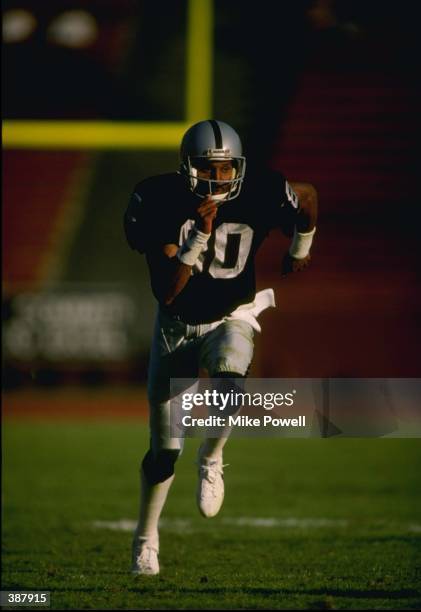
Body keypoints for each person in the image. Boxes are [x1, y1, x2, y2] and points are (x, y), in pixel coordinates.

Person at [124, 119, 318, 575]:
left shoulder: (264, 189)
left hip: (232, 314)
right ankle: (145, 539)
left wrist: (300, 247)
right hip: (176, 325)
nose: (218, 178)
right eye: (207, 168)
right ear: (186, 168)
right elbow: (169, 293)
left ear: (239, 168)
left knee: (232, 379)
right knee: (164, 451)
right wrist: (197, 238)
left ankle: (212, 457)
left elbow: (306, 197)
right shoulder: (157, 198)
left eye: (227, 169)